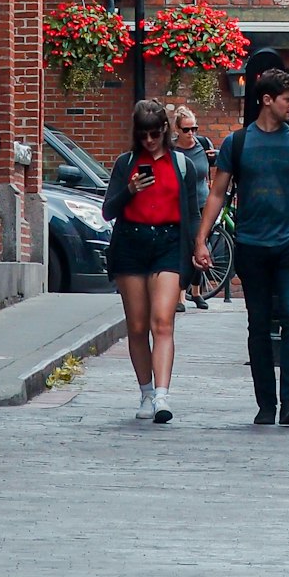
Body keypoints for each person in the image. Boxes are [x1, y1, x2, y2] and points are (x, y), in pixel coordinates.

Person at [194, 68, 289, 425]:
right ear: (267, 100)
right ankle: (265, 404)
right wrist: (201, 239)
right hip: (251, 243)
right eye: (288, 99)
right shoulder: (237, 144)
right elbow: (218, 194)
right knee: (257, 323)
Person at [103, 99, 200, 422]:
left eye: (155, 134)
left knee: (163, 321)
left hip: (169, 243)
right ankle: (145, 392)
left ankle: (162, 396)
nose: (149, 141)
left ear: (165, 131)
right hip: (131, 242)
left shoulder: (182, 165)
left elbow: (192, 212)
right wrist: (129, 189)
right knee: (137, 325)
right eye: (143, 135)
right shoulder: (125, 163)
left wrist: (198, 246)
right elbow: (108, 210)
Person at [172, 105, 211, 311]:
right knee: (185, 249)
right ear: (177, 130)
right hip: (183, 206)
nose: (191, 133)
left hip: (203, 204)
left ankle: (196, 291)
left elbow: (212, 168)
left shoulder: (203, 144)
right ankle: (180, 296)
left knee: (201, 247)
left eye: (194, 128)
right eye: (186, 129)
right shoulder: (173, 151)